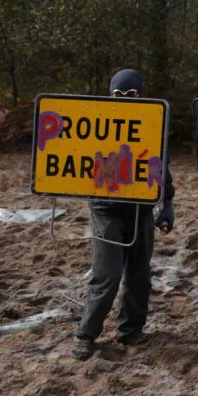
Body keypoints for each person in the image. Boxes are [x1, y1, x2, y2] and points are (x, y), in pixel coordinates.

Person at [72, 69, 175, 361]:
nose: (126, 100)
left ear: (141, 94)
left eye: (132, 94)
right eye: (118, 94)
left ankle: (130, 329)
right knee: (107, 275)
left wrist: (167, 204)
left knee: (140, 274)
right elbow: (76, 160)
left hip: (141, 210)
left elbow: (159, 164)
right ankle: (86, 334)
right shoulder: (96, 125)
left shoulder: (152, 122)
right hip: (106, 211)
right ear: (110, 95)